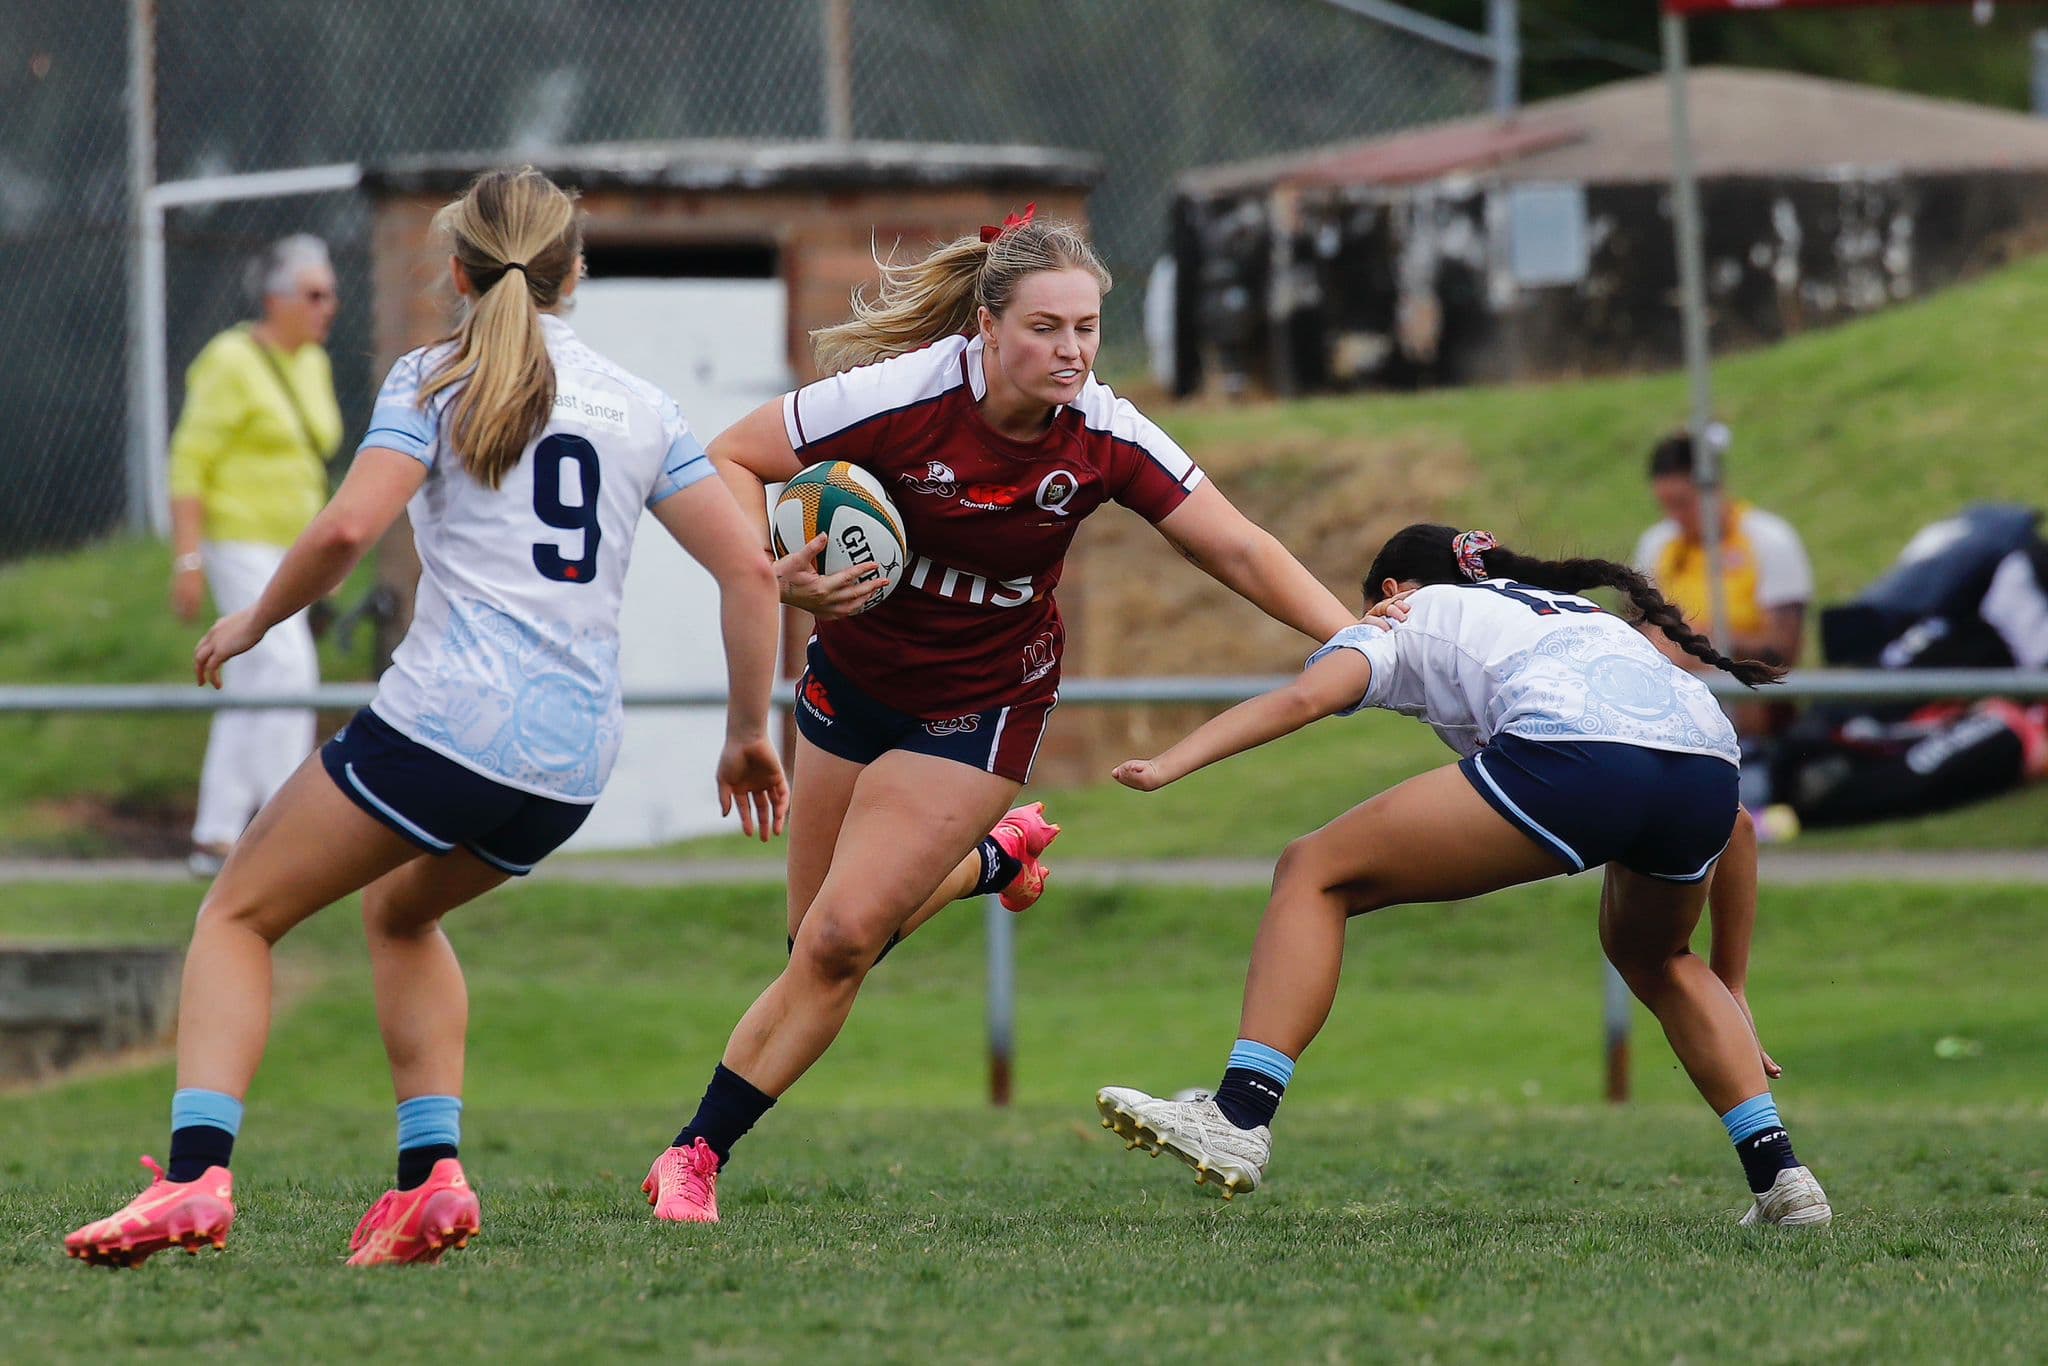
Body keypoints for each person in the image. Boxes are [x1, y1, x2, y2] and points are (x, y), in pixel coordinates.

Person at [64, 167, 787, 1269]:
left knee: (237, 915)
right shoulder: (643, 406)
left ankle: (196, 1175)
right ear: (574, 271)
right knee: (401, 915)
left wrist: (255, 616)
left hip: (447, 721)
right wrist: (747, 730)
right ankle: (428, 1179)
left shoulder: (432, 374)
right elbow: (750, 570)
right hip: (570, 761)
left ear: (455, 270)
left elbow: (351, 529)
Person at [642, 209, 1360, 1224]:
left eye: (1085, 327)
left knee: (845, 938)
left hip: (981, 705)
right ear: (985, 325)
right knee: (811, 937)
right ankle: (993, 861)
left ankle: (693, 1156)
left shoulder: (1102, 433)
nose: (1070, 351)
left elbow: (1235, 547)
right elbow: (730, 454)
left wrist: (1357, 640)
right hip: (851, 684)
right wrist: (775, 568)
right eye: (1044, 328)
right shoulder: (899, 398)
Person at [1096, 524, 1831, 1230]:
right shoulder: (1579, 618)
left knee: (1312, 870)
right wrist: (1731, 984)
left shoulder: (1408, 613)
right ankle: (1783, 1178)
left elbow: (1303, 698)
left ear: (1390, 587)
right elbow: (1735, 825)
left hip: (1577, 757)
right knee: (1659, 957)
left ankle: (1239, 1115)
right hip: (1707, 772)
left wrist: (1169, 764)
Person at [168, 234, 344, 877]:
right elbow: (189, 461)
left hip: (294, 548)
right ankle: (282, 829)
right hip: (240, 539)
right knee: (286, 670)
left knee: (253, 683)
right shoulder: (231, 360)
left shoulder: (313, 365)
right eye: (314, 294)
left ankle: (216, 836)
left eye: (332, 293)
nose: (328, 306)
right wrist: (187, 560)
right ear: (276, 299)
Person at [1633, 428, 1813, 678]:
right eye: (1665, 506)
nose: (1674, 517)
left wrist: (1702, 639)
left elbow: (1783, 652)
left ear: (1715, 488)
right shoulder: (1657, 543)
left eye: (1682, 503)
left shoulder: (1770, 540)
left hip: (1746, 686)